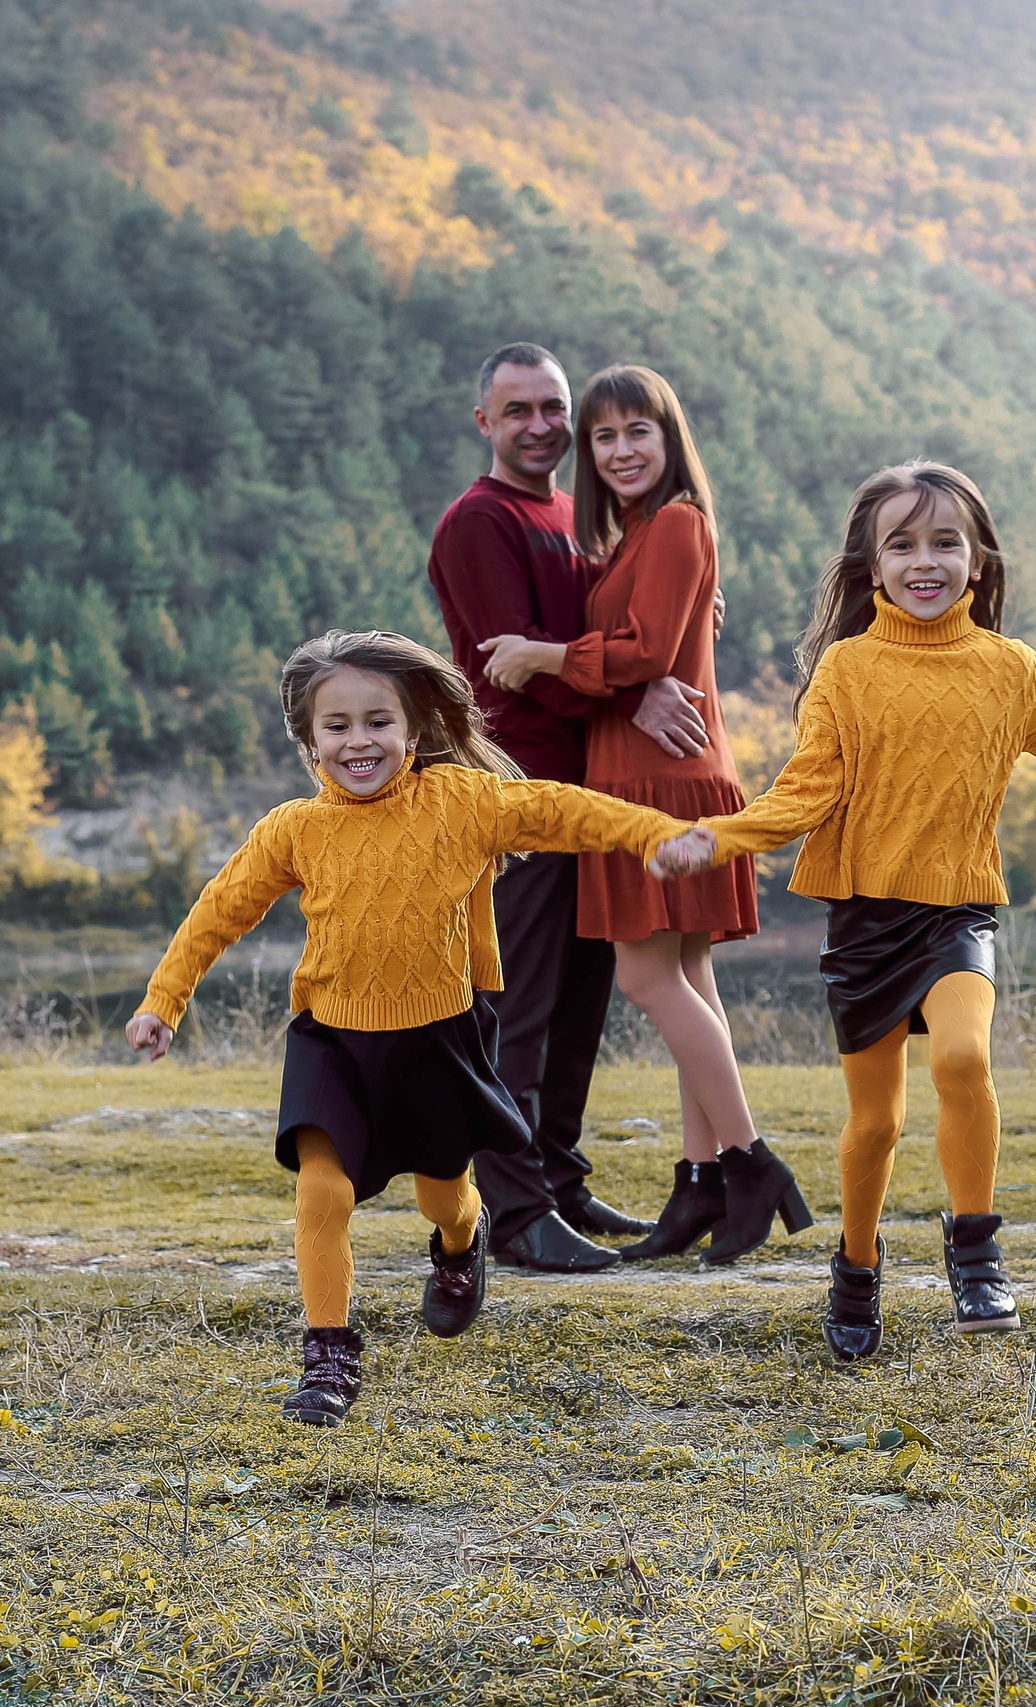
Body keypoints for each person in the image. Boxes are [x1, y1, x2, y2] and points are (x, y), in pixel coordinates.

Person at [652, 462, 1036, 1346]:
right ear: (871, 562)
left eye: (945, 542)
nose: (924, 561)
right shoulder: (847, 671)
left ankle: (976, 1258)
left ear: (979, 561)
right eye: (902, 544)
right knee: (877, 1121)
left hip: (959, 911)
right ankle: (855, 1269)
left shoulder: (1014, 670)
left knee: (965, 1063)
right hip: (864, 919)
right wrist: (723, 835)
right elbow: (803, 793)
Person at [126, 630, 691, 1425]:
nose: (359, 741)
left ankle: (464, 1245)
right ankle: (328, 1354)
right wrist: (163, 1000)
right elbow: (219, 911)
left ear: (415, 728)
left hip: (436, 1039)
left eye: (378, 721)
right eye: (337, 725)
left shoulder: (460, 803)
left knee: (445, 1194)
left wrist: (654, 832)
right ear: (309, 738)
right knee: (323, 1191)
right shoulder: (294, 829)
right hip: (332, 1038)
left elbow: (559, 809)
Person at [478, 363, 810, 1265]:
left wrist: (542, 655)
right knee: (690, 978)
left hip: (654, 786)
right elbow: (661, 637)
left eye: (639, 432)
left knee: (647, 980)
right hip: (669, 773)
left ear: (671, 441)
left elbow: (647, 650)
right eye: (605, 436)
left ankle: (749, 1161)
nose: (621, 450)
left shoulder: (672, 523)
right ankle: (699, 1179)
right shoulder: (639, 533)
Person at [426, 342, 721, 1274]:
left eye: (553, 408)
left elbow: (620, 629)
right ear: (485, 422)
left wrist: (663, 648)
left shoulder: (579, 517)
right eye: (518, 410)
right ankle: (511, 1212)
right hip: (523, 786)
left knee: (584, 998)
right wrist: (628, 695)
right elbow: (505, 663)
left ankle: (558, 1175)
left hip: (601, 788)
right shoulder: (478, 522)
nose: (540, 426)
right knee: (520, 1002)